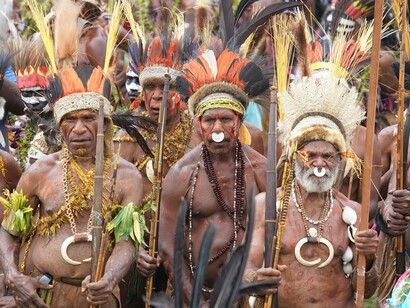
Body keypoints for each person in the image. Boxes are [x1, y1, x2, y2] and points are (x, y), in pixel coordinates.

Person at [244, 18, 379, 306]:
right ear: (294, 156)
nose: (319, 163)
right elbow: (245, 272)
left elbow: (367, 290)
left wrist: (370, 258)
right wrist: (256, 281)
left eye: (328, 156)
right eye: (310, 154)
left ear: (339, 160)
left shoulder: (353, 212)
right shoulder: (267, 206)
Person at [0, 65, 144, 307]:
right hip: (45, 292)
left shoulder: (127, 176)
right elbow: (8, 230)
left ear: (105, 125)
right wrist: (14, 276)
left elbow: (126, 241)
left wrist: (110, 278)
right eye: (70, 120)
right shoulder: (40, 172)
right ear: (59, 125)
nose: (78, 129)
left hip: (98, 297)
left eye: (88, 118)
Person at [158, 47, 269, 306]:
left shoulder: (261, 170)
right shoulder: (181, 174)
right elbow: (167, 246)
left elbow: (277, 234)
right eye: (209, 121)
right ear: (198, 124)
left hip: (247, 296)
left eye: (225, 119)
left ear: (240, 121)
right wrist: (194, 298)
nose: (217, 130)